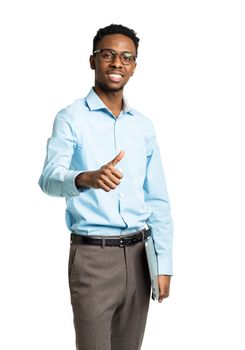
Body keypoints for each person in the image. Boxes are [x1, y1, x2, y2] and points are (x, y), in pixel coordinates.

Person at [39, 24, 173, 350]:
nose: (117, 63)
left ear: (134, 67)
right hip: (93, 259)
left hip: (141, 257)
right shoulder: (70, 118)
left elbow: (157, 199)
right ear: (93, 60)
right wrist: (86, 178)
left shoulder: (143, 126)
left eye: (126, 57)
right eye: (108, 55)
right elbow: (49, 178)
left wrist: (164, 262)